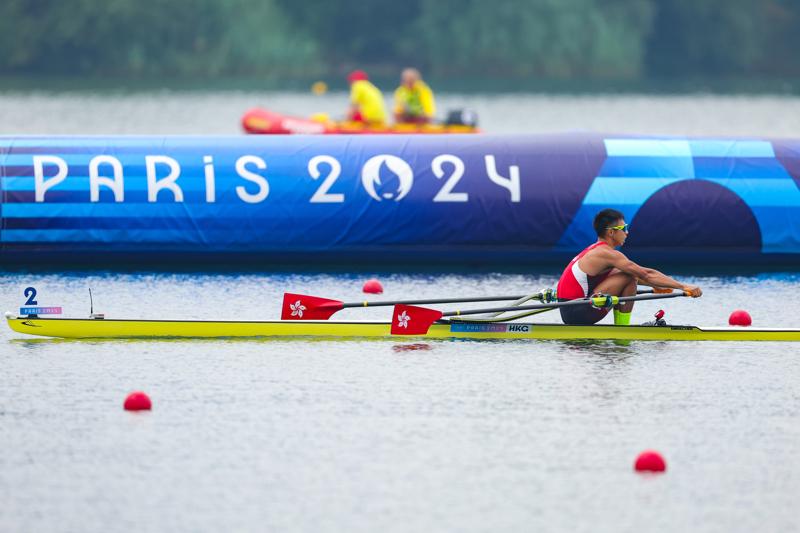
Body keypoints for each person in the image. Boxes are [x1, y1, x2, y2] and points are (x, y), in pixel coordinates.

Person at [556, 208, 703, 325]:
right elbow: (644, 274)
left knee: (627, 275)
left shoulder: (596, 250)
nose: (627, 232)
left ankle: (621, 328)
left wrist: (658, 287)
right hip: (577, 312)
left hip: (572, 309)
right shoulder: (606, 254)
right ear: (611, 232)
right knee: (631, 276)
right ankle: (622, 330)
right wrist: (683, 286)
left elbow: (630, 277)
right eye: (624, 228)